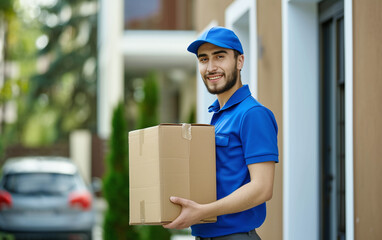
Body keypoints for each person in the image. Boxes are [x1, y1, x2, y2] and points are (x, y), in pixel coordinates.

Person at [163, 26, 279, 240]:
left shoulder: (253, 114)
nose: (211, 67)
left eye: (219, 57)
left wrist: (202, 212)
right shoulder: (219, 116)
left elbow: (262, 188)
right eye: (203, 59)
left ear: (240, 61)